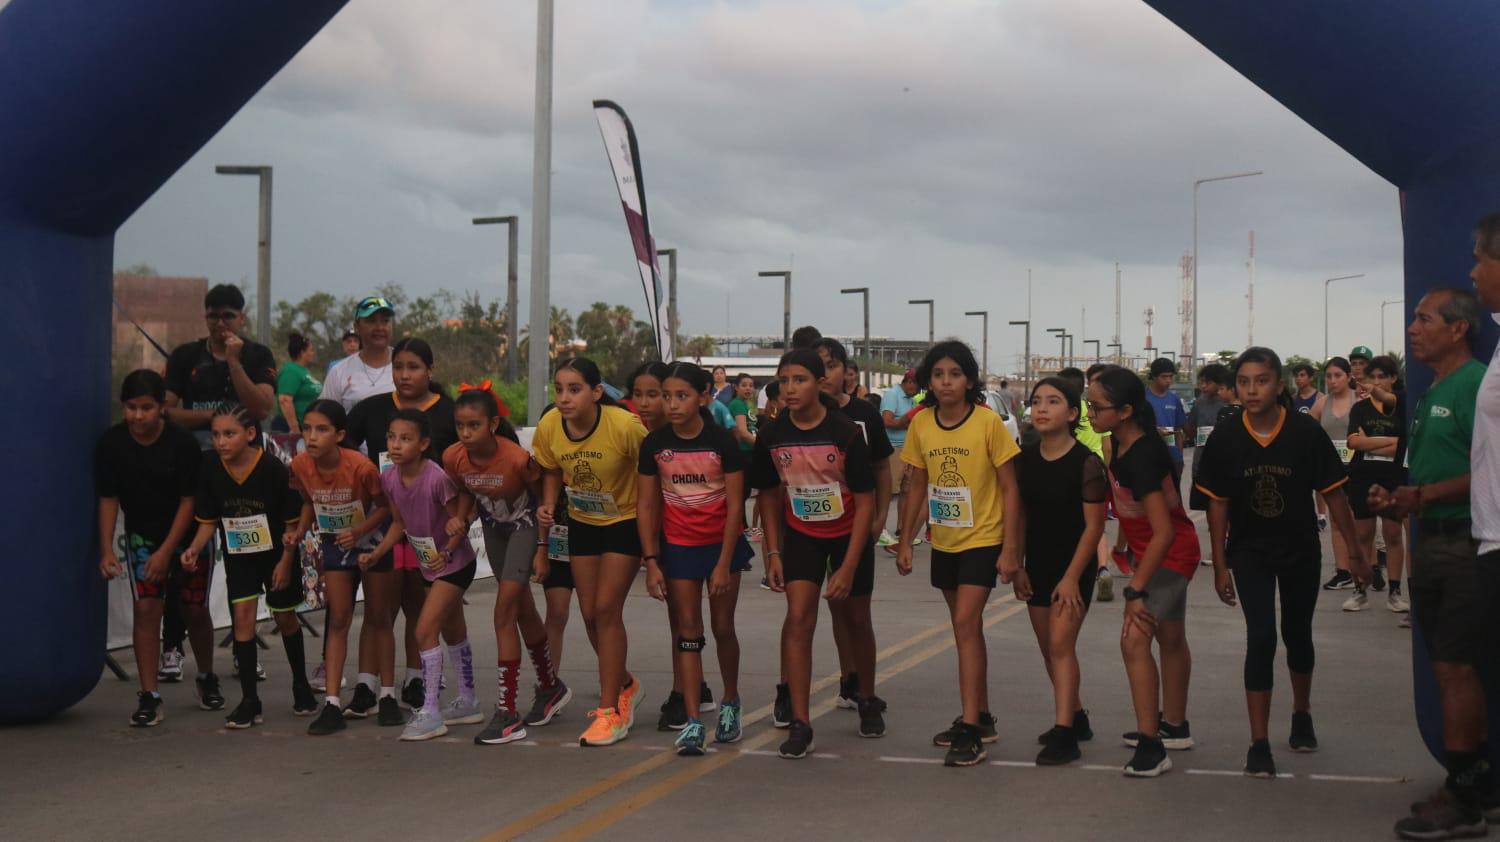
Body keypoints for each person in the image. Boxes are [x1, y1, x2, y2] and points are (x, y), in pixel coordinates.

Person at [1196, 347, 1369, 778]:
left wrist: (1357, 553)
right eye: (1244, 381)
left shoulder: (1305, 434)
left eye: (1261, 381)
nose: (1252, 390)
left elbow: (1334, 496)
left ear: (1280, 385)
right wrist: (1219, 564)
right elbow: (1217, 507)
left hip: (1299, 549)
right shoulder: (1227, 437)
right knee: (1262, 636)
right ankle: (1258, 742)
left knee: (1297, 634)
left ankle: (1302, 713)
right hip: (1250, 552)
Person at [1372, 285, 1488, 839]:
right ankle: (1477, 784)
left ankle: (1465, 797)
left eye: (1424, 319)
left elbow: (1489, 474)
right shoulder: (1432, 388)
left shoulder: (1476, 386)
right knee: (1448, 663)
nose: (1413, 329)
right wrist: (1400, 498)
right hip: (1432, 540)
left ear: (1458, 329)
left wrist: (1426, 496)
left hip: (1462, 542)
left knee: (1455, 666)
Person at [894, 341, 1022, 767]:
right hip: (944, 540)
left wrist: (1010, 549)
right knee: (965, 629)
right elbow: (915, 484)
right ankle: (981, 716)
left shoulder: (988, 424)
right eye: (938, 375)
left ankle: (969, 731)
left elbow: (1010, 488)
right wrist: (906, 538)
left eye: (955, 374)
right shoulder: (922, 425)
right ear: (928, 381)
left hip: (983, 539)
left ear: (970, 379)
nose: (946, 382)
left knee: (966, 623)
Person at [752, 349, 877, 759]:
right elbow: (769, 495)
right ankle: (801, 722)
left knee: (856, 618)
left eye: (799, 380)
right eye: (784, 380)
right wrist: (772, 550)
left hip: (847, 537)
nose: (789, 389)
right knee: (799, 617)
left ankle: (868, 697)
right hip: (801, 535)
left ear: (819, 383)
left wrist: (850, 565)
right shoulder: (771, 435)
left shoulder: (845, 434)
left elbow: (866, 500)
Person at [1088, 368, 1202, 777]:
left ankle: (1152, 745)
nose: (1089, 411)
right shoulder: (1116, 445)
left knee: (1133, 642)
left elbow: (1165, 530)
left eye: (1096, 406)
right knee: (1170, 637)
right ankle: (1173, 725)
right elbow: (1133, 514)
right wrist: (1122, 549)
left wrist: (1135, 587)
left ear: (1124, 411)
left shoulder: (1143, 455)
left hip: (1170, 554)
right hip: (1153, 551)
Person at [638, 362, 752, 755]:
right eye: (666, 396)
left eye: (681, 396)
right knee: (688, 630)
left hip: (722, 546)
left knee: (722, 627)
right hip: (679, 548)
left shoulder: (723, 442)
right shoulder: (654, 444)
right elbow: (647, 505)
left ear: (704, 397)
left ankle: (731, 703)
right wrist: (651, 560)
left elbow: (736, 506)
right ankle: (691, 721)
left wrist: (723, 562)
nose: (671, 404)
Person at [444, 387, 568, 746]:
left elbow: (544, 492)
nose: (466, 433)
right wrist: (461, 519)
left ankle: (507, 713)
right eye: (460, 426)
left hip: (525, 527)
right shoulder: (455, 456)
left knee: (503, 614)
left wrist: (542, 548)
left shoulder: (515, 458)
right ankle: (550, 687)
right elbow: (465, 489)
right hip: (495, 530)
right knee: (522, 610)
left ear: (493, 424)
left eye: (474, 425)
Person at [96, 370, 221, 726]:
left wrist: (167, 553)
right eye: (131, 408)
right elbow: (108, 499)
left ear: (162, 407)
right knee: (147, 608)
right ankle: (149, 695)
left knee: (194, 609)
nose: (138, 416)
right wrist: (106, 550)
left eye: (146, 408)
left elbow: (188, 501)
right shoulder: (110, 444)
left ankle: (206, 675)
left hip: (189, 538)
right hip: (142, 537)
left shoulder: (182, 444)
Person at [534, 358, 648, 747]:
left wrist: (654, 536)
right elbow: (550, 468)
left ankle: (610, 711)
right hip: (583, 521)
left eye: (575, 389)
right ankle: (627, 683)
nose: (564, 398)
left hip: (625, 521)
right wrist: (549, 504)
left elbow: (650, 472)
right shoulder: (551, 424)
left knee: (604, 610)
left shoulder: (624, 426)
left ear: (597, 392)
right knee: (587, 613)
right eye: (559, 389)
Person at [180, 403, 311, 729]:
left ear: (250, 434)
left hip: (277, 555)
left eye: (229, 434)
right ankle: (250, 700)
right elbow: (208, 521)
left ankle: (301, 684)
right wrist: (194, 548)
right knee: (242, 619)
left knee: (285, 617)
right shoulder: (210, 470)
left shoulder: (273, 470)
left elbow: (291, 525)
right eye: (215, 435)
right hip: (240, 557)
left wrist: (285, 561)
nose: (221, 442)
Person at [346, 337, 458, 712]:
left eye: (413, 367)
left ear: (430, 370)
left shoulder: (449, 412)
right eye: (398, 367)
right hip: (384, 520)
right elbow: (344, 452)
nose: (405, 375)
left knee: (417, 604)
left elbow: (467, 458)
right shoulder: (371, 409)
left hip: (428, 527)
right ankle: (366, 684)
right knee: (378, 607)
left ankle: (415, 678)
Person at [356, 409, 481, 741]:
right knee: (454, 632)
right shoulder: (389, 479)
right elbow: (399, 523)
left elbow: (458, 523)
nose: (396, 445)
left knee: (425, 630)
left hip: (454, 564)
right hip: (431, 564)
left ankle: (430, 711)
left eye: (406, 438)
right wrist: (376, 552)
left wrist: (449, 549)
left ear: (423, 444)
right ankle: (469, 701)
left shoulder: (437, 478)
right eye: (392, 438)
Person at [1009, 376, 1107, 766]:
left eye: (1053, 401)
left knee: (1062, 646)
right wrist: (1015, 562)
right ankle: (1077, 717)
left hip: (1074, 569)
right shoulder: (1025, 458)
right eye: (1037, 401)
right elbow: (1017, 514)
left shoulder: (1087, 463)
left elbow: (1095, 528)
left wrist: (1071, 577)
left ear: (1072, 412)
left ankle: (1065, 734)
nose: (1042, 408)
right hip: (1038, 565)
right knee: (1049, 648)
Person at [286, 400, 391, 734]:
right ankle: (331, 702)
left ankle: (381, 692)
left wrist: (359, 531)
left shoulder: (361, 467)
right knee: (339, 616)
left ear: (340, 434)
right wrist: (301, 529)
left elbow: (386, 508)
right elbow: (307, 501)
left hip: (371, 540)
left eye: (322, 429)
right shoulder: (301, 465)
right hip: (335, 543)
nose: (312, 437)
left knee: (377, 616)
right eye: (307, 429)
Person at [814, 337, 892, 726]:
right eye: (817, 366)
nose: (823, 374)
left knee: (859, 614)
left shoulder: (864, 414)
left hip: (856, 528)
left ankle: (868, 694)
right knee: (835, 606)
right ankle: (849, 677)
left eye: (829, 365)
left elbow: (881, 468)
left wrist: (879, 521)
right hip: (813, 531)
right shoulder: (801, 418)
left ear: (845, 372)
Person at [1342, 355, 1409, 613]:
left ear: (1393, 378)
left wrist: (1373, 441)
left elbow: (1400, 447)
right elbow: (1354, 443)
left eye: (1383, 376)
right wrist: (1388, 442)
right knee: (1363, 535)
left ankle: (1395, 591)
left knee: (1393, 534)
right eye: (1373, 377)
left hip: (1393, 477)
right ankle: (1360, 589)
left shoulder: (1400, 408)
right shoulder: (1360, 408)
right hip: (1362, 475)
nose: (1378, 382)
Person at [1316, 357, 1363, 591]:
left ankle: (1363, 568)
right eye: (1329, 376)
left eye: (1337, 375)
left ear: (1348, 377)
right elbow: (1306, 429)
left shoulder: (1359, 401)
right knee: (1336, 520)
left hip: (1356, 468)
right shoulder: (1322, 403)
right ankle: (1342, 571)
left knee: (1356, 520)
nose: (1333, 381)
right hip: (1332, 470)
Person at [321, 297, 396, 411]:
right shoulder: (339, 372)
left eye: (385, 321)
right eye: (371, 321)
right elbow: (325, 417)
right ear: (357, 327)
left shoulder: (409, 366)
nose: (380, 328)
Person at [881, 370, 920, 549]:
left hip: (907, 449)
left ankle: (901, 529)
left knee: (906, 490)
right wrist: (904, 421)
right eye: (918, 385)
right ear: (910, 381)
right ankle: (881, 530)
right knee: (889, 491)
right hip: (894, 448)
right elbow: (887, 421)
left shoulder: (910, 398)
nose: (918, 390)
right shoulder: (893, 395)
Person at [1187, 363, 1232, 514]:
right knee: (1207, 504)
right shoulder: (1199, 402)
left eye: (1207, 382)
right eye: (1201, 382)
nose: (1203, 386)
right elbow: (1191, 428)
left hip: (1225, 461)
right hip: (1202, 460)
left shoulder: (1229, 402)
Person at [1145, 357, 1188, 498]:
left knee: (1174, 498)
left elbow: (1178, 431)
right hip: (1150, 456)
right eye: (1164, 377)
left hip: (1173, 457)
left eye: (1171, 377)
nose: (1168, 380)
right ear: (1154, 377)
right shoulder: (1143, 398)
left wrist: (1179, 457)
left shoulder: (1174, 399)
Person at [276, 333, 322, 435]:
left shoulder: (303, 371)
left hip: (307, 426)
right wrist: (295, 429)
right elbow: (285, 400)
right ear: (302, 352)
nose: (313, 353)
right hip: (291, 428)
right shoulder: (291, 371)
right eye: (311, 350)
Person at [727, 373, 759, 454]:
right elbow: (743, 432)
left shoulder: (745, 404)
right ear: (736, 387)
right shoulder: (737, 404)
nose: (748, 388)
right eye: (744, 385)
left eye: (751, 386)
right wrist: (761, 446)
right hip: (744, 451)